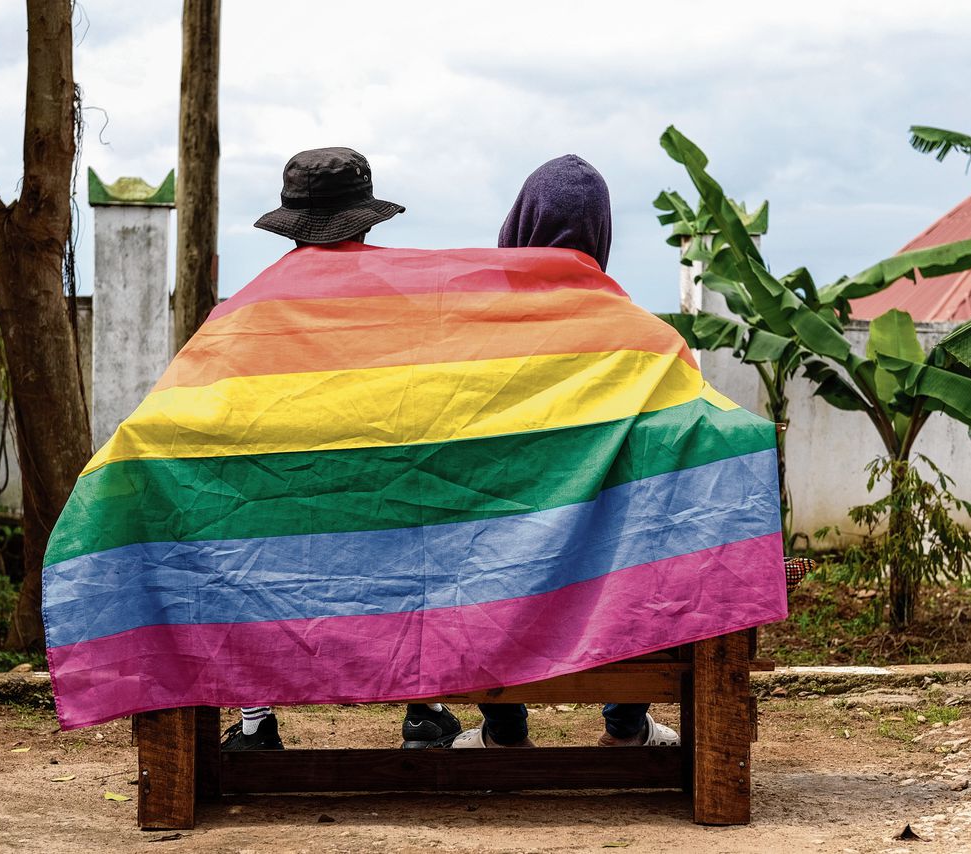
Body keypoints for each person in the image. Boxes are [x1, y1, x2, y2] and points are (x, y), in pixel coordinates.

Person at [220, 146, 463, 751]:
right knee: (420, 545)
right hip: (389, 496)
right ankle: (423, 710)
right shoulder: (405, 302)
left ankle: (255, 723)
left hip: (283, 505)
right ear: (368, 219)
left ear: (290, 223)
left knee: (242, 556)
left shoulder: (250, 308)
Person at [450, 155, 681, 749]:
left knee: (471, 537)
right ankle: (627, 726)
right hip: (607, 559)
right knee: (648, 534)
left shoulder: (479, 334)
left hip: (502, 552)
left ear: (520, 226)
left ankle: (503, 730)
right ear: (602, 236)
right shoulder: (650, 342)